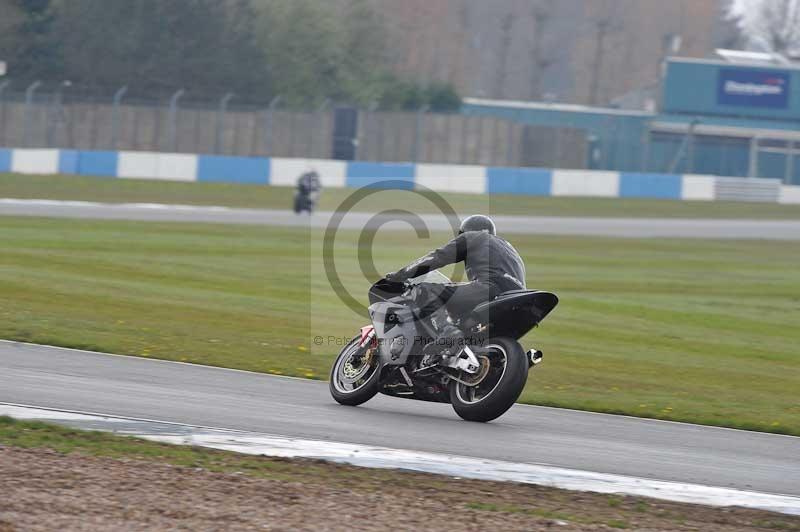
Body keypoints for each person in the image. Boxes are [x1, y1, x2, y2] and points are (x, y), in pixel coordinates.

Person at [385, 214, 526, 357]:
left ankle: (447, 332)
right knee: (463, 319)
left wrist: (400, 275)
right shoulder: (509, 248)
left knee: (425, 289)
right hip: (517, 296)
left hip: (491, 289)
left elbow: (437, 257)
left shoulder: (472, 237)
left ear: (466, 231)